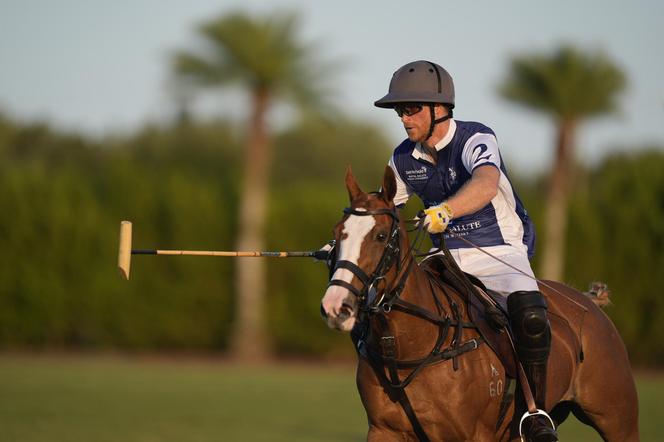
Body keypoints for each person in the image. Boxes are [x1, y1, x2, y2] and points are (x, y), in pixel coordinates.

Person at [374, 60, 557, 442]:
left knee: (530, 316)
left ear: (439, 110)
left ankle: (534, 414)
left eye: (410, 109)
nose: (403, 118)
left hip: (499, 249)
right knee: (390, 303)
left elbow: (487, 182)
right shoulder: (403, 157)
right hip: (445, 255)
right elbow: (383, 208)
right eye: (399, 111)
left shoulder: (475, 137)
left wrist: (447, 209)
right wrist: (348, 239)